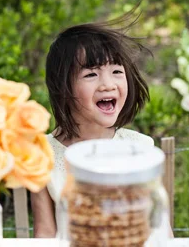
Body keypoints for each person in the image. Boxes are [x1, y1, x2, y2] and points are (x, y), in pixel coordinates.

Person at [31, 21, 155, 238]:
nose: (108, 84)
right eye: (91, 74)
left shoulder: (140, 148)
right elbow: (45, 233)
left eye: (117, 71)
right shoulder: (42, 155)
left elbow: (159, 228)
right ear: (63, 87)